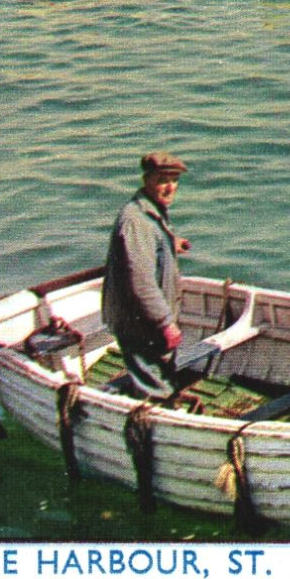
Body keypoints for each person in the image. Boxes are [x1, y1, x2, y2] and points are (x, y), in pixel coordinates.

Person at [101, 152, 191, 399]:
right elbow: (141, 283)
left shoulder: (151, 212)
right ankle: (153, 419)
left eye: (174, 180)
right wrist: (165, 323)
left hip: (148, 320)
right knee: (156, 388)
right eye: (163, 180)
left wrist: (170, 243)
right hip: (139, 323)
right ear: (146, 180)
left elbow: (148, 245)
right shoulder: (136, 221)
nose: (170, 186)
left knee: (160, 373)